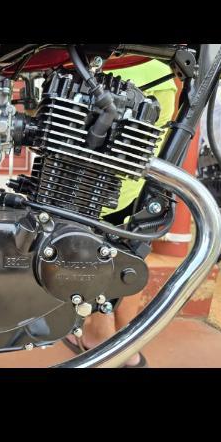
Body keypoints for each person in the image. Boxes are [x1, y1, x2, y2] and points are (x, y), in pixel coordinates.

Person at [66, 58, 177, 367]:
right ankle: (124, 336)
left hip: (94, 190)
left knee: (94, 242)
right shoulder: (164, 76)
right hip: (136, 186)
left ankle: (99, 331)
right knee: (132, 246)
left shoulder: (97, 64)